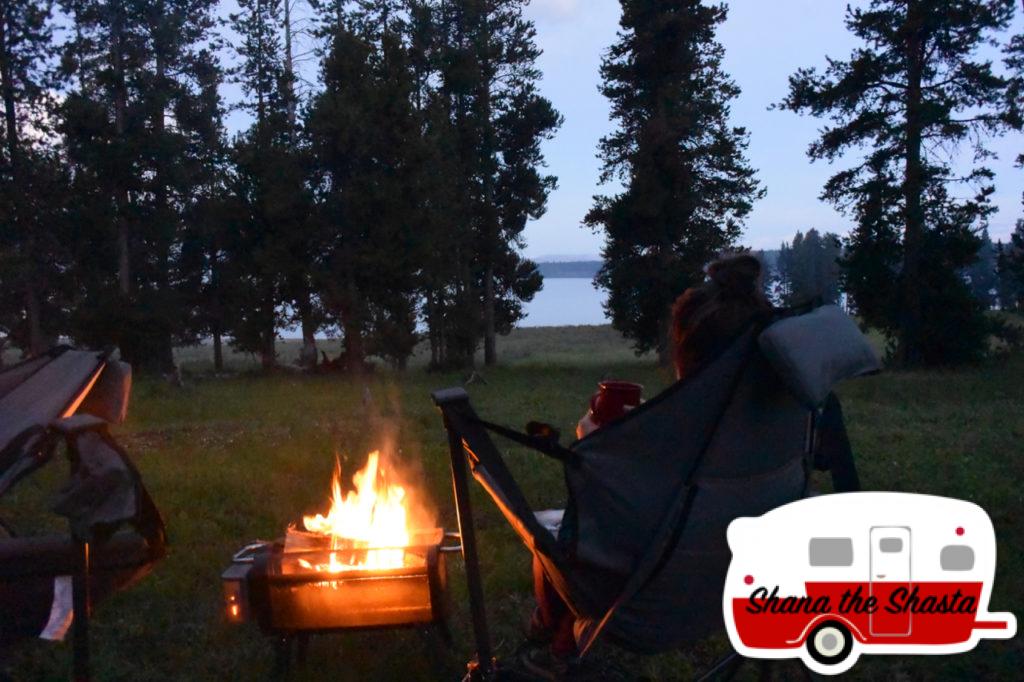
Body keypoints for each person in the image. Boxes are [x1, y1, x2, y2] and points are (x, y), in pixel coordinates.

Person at [522, 254, 774, 677]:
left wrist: (592, 440)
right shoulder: (781, 418)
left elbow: (610, 508)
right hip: (746, 584)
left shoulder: (681, 438)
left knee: (554, 538)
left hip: (652, 596)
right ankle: (559, 642)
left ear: (686, 356)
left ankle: (548, 636)